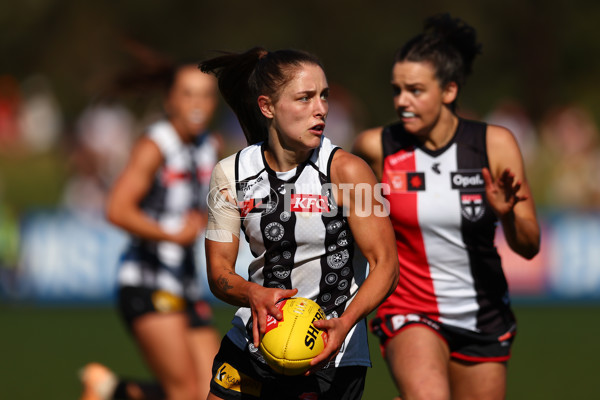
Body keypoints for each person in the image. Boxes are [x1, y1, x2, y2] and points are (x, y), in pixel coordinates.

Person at [352, 14, 541, 400]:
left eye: (415, 90)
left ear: (449, 91)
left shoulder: (495, 144)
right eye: (397, 90)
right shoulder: (375, 147)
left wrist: (505, 212)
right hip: (408, 309)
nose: (402, 101)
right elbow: (349, 219)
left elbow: (529, 246)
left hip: (482, 314)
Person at [199, 47, 399, 400]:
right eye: (305, 98)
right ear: (267, 107)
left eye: (323, 97)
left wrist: (345, 322)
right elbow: (218, 273)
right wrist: (252, 293)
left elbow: (387, 266)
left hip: (330, 357)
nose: (320, 109)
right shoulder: (228, 174)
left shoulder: (351, 172)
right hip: (252, 345)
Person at [79, 63, 222, 400]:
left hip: (185, 284)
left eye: (206, 95)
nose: (198, 104)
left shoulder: (207, 146)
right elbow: (116, 209)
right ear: (170, 100)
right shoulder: (155, 145)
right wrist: (169, 235)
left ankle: (112, 392)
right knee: (185, 393)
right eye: (188, 95)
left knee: (218, 391)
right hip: (147, 280)